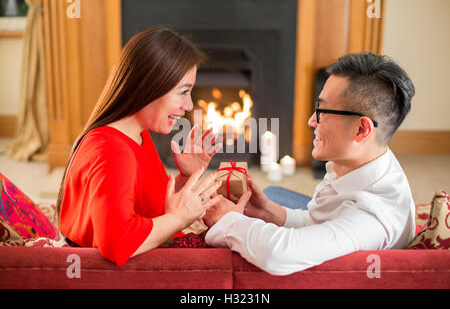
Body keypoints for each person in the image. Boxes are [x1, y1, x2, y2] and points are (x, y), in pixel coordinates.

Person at [203, 52, 417, 275]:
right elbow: (319, 220)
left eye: (323, 111)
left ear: (361, 129)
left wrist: (228, 219)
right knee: (272, 194)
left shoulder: (371, 217)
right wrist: (269, 212)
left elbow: (280, 253)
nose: (311, 120)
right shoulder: (361, 161)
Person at [56, 27, 224, 267]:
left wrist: (184, 178)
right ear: (150, 86)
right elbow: (118, 243)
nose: (188, 105)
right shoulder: (112, 151)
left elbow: (144, 206)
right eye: (183, 92)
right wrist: (178, 219)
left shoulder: (136, 133)